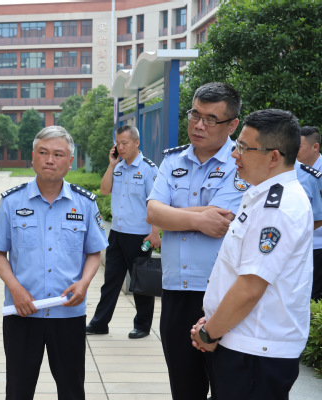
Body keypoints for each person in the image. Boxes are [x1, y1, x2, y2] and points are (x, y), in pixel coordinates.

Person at [191, 109, 312, 399]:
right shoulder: (262, 195)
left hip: (255, 353)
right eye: (237, 146)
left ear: (274, 157)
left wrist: (209, 333)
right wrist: (214, 322)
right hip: (241, 342)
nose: (235, 154)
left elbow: (250, 288)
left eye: (244, 148)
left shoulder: (278, 208)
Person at [0, 126, 108, 400]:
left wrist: (84, 283)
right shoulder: (12, 201)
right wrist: (15, 289)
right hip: (23, 312)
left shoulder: (85, 203)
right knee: (18, 390)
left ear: (70, 161)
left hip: (68, 313)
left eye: (58, 154)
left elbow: (94, 252)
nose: (50, 160)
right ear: (33, 157)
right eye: (43, 152)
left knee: (72, 389)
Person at [146, 82, 246, 399]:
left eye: (211, 119)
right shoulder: (172, 161)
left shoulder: (241, 164)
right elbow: (152, 212)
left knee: (227, 386)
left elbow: (222, 220)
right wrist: (199, 218)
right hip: (176, 289)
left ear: (232, 125)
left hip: (222, 294)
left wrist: (172, 215)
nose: (199, 125)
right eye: (195, 114)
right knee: (184, 386)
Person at [86, 125, 160, 339]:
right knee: (111, 280)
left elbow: (156, 202)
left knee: (140, 282)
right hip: (117, 234)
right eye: (118, 143)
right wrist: (111, 165)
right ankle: (100, 323)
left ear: (137, 143)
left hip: (139, 235)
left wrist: (155, 232)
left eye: (124, 143)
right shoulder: (118, 167)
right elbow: (104, 190)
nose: (120, 147)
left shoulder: (149, 169)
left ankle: (143, 325)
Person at [297, 126, 322, 300]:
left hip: (318, 245)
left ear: (315, 147)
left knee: (314, 297)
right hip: (298, 247)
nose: (294, 151)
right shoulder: (292, 169)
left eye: (299, 147)